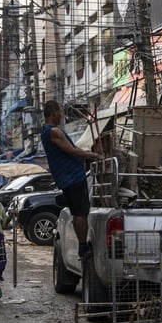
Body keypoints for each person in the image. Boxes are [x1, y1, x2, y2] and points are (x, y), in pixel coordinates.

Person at [41, 100, 103, 257]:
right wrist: (94, 155)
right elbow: (73, 152)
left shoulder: (46, 131)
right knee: (81, 212)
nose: (61, 115)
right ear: (54, 112)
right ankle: (83, 246)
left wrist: (86, 153)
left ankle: (82, 245)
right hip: (73, 177)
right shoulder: (54, 131)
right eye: (60, 112)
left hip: (66, 178)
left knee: (78, 212)